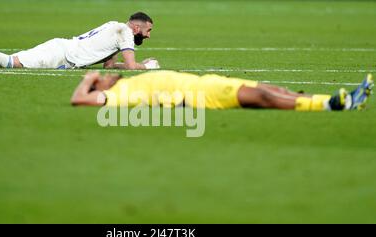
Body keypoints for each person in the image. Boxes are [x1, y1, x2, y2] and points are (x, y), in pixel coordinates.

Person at [0, 12, 159, 70]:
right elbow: (130, 66)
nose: (148, 35)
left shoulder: (115, 27)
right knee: (10, 63)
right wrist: (146, 67)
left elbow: (109, 65)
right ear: (136, 27)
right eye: (147, 30)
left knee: (12, 61)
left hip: (62, 49)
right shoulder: (125, 33)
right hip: (61, 54)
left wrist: (132, 65)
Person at [70, 70, 373, 111]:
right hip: (201, 95)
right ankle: (332, 106)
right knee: (266, 97)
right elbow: (78, 99)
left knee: (273, 88)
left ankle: (338, 100)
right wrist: (87, 80)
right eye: (103, 76)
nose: (108, 75)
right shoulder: (118, 95)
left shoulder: (123, 84)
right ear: (100, 86)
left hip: (205, 82)